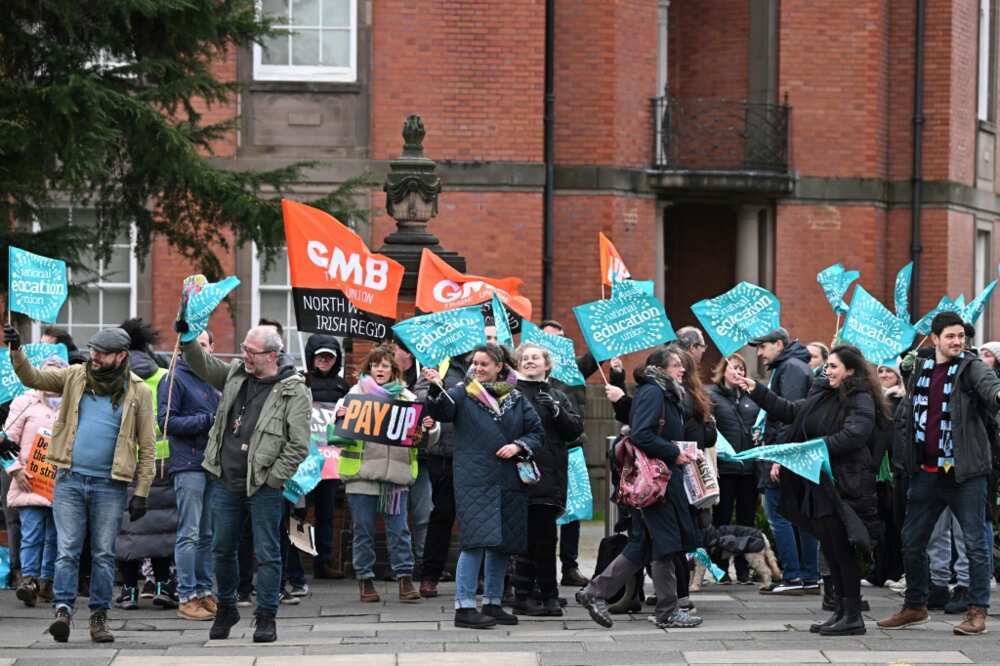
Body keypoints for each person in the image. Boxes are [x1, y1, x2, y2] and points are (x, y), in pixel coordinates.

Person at [3, 325, 156, 644]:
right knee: (68, 550)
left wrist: (141, 491)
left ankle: (99, 617)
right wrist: (16, 350)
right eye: (93, 350)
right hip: (70, 480)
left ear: (121, 356)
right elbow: (33, 379)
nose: (94, 357)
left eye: (101, 353)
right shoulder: (75, 376)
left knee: (102, 554)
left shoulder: (138, 391)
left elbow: (147, 444)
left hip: (110, 485)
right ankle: (62, 610)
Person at [736, 344, 883, 636]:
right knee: (830, 546)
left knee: (842, 550)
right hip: (819, 481)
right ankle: (840, 610)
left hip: (844, 483)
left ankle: (853, 614)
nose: (826, 371)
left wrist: (813, 449)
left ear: (850, 370)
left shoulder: (860, 397)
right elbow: (791, 412)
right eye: (826, 366)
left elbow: (855, 434)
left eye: (833, 366)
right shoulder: (823, 393)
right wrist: (757, 390)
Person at [178, 323, 310, 643]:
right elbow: (202, 363)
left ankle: (266, 616)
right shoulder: (236, 373)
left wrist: (274, 478)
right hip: (226, 478)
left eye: (251, 351)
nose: (244, 355)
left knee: (267, 552)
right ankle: (226, 606)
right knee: (222, 549)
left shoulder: (293, 390)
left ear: (272, 355)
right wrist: (185, 336)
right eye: (244, 348)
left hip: (264, 484)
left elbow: (298, 445)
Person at [878, 311, 1000, 636]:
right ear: (935, 339)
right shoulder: (920, 367)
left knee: (975, 544)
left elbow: (991, 388)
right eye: (950, 336)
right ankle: (915, 605)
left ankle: (977, 611)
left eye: (961, 336)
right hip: (926, 471)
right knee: (912, 540)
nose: (958, 342)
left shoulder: (971, 368)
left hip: (965, 473)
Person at [577, 347, 702, 629]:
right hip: (656, 484)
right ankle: (667, 610)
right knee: (664, 545)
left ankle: (594, 592)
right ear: (659, 368)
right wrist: (673, 452)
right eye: (676, 365)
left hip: (660, 481)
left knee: (645, 545)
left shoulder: (665, 392)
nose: (682, 370)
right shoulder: (654, 392)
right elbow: (641, 434)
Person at [422, 344, 543, 629]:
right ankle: (464, 607)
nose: (476, 368)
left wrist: (518, 446)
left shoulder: (515, 397)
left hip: (509, 479)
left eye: (483, 364)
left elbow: (536, 431)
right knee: (475, 541)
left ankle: (493, 602)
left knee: (502, 544)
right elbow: (442, 411)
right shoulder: (462, 392)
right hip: (475, 479)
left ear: (500, 366)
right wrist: (436, 388)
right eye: (474, 364)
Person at [333, 344, 438, 603]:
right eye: (376, 365)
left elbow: (423, 440)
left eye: (386, 365)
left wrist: (430, 428)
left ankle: (404, 578)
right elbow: (336, 438)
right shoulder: (353, 395)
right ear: (369, 368)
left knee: (400, 530)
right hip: (362, 475)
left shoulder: (407, 398)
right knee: (363, 530)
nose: (380, 369)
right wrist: (339, 420)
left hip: (395, 476)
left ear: (394, 370)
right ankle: (365, 580)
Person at [539, 319, 625, 587]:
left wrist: (616, 363)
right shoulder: (527, 372)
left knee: (573, 511)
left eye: (560, 339)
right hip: (541, 451)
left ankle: (569, 567)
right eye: (549, 338)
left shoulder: (574, 368)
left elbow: (597, 354)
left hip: (572, 447)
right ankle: (542, 569)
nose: (555, 345)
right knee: (542, 512)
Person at [510, 342, 584, 617]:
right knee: (530, 539)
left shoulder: (558, 395)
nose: (529, 361)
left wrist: (556, 411)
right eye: (525, 358)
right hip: (522, 476)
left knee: (545, 538)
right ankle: (529, 594)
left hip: (551, 477)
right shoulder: (512, 393)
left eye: (535, 358)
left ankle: (544, 593)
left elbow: (574, 430)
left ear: (546, 364)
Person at [114, 318, 179, 613]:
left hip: (123, 462)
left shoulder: (112, 378)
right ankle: (163, 586)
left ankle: (128, 591)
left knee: (125, 529)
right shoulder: (166, 375)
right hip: (163, 462)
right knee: (162, 527)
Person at [749, 327, 819, 595]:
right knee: (801, 517)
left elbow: (789, 416)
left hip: (785, 454)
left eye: (763, 346)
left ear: (779, 344)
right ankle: (809, 577)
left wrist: (780, 457)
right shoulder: (794, 365)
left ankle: (793, 577)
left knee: (780, 515)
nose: (759, 352)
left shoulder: (789, 368)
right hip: (793, 454)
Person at [159, 330, 220, 620]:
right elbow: (166, 422)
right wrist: (207, 421)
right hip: (189, 464)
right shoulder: (173, 378)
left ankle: (204, 590)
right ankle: (186, 595)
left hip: (211, 464)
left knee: (207, 534)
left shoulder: (213, 379)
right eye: (196, 344)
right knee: (190, 533)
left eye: (205, 344)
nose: (201, 349)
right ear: (181, 348)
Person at [5, 356, 66, 607]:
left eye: (56, 375)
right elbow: (4, 441)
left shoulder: (74, 405)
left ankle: (47, 582)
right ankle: (28, 581)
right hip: (29, 482)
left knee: (55, 536)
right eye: (46, 374)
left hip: (61, 485)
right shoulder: (24, 404)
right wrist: (16, 471)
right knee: (31, 533)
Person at [416, 352, 469, 598]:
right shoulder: (439, 365)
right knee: (442, 515)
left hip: (477, 453)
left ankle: (479, 576)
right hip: (444, 453)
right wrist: (436, 385)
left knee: (477, 518)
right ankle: (430, 576)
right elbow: (418, 398)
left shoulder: (487, 363)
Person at [707, 354, 761, 584]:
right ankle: (721, 569)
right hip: (726, 469)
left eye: (741, 368)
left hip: (749, 469)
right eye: (732, 368)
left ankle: (744, 569)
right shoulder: (713, 396)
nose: (736, 371)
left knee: (747, 520)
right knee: (723, 520)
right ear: (723, 371)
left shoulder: (751, 397)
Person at [303, 334, 348, 580]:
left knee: (326, 512)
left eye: (329, 356)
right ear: (311, 356)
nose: (324, 360)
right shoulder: (300, 381)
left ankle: (324, 561)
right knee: (298, 511)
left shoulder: (344, 386)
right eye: (320, 355)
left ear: (336, 359)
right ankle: (293, 564)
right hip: (304, 457)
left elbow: (351, 422)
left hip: (330, 458)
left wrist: (345, 413)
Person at [394, 341, 433, 577]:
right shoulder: (387, 378)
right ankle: (400, 565)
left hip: (420, 457)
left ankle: (423, 563)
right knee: (395, 516)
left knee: (423, 513)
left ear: (407, 352)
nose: (391, 352)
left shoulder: (425, 377)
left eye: (394, 348)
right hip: (393, 458)